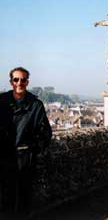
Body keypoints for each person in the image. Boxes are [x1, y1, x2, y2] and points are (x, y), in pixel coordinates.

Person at [0, 67, 52, 214]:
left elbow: (46, 133)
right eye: (16, 79)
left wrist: (33, 150)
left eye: (23, 80)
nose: (19, 83)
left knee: (24, 198)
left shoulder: (36, 105)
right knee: (5, 199)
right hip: (5, 157)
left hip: (25, 158)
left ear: (27, 82)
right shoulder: (1, 102)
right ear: (11, 82)